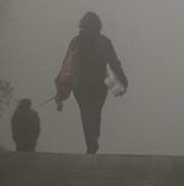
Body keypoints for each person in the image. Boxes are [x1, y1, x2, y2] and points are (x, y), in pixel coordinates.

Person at [54, 11, 128, 154]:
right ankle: (93, 140)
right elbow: (115, 64)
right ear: (99, 26)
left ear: (83, 25)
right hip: (100, 85)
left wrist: (64, 86)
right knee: (96, 112)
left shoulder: (76, 42)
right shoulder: (105, 42)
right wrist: (123, 81)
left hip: (80, 85)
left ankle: (91, 142)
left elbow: (67, 65)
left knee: (86, 113)